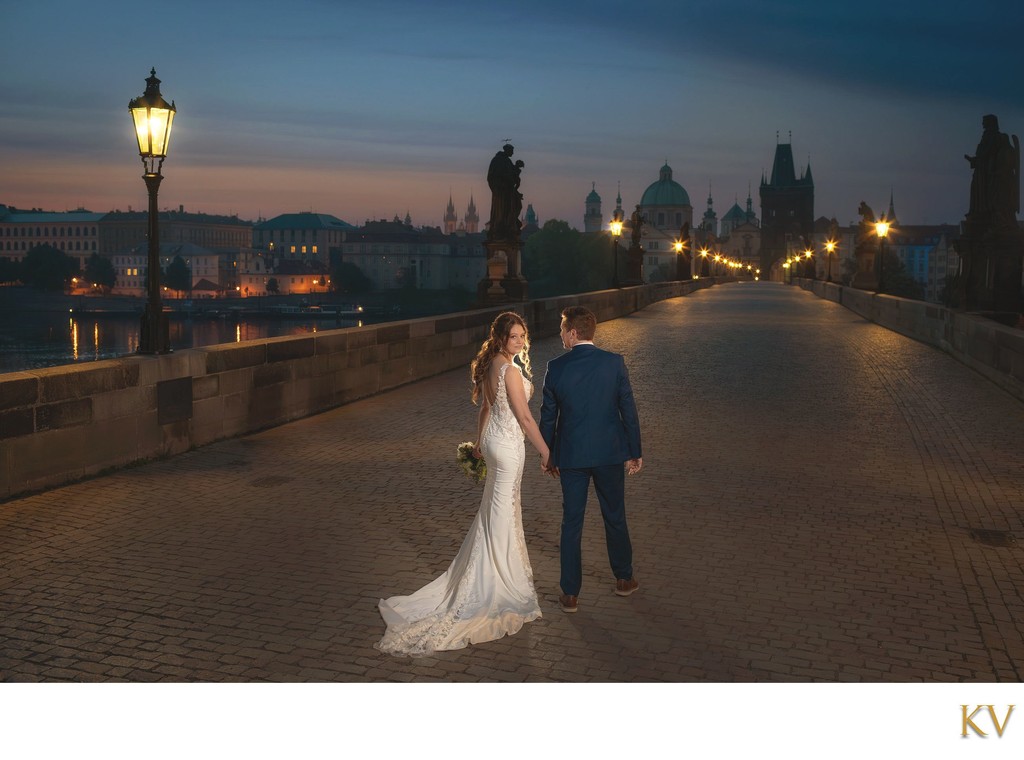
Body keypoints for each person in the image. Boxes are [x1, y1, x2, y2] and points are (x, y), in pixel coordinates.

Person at [376, 312, 550, 656]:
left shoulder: (490, 366)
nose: (520, 342)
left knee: (497, 510)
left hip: (496, 444)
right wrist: (546, 451)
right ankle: (493, 585)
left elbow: (485, 407)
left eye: (522, 336)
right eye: (514, 337)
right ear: (501, 338)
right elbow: (525, 416)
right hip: (510, 447)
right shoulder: (509, 371)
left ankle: (498, 572)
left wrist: (480, 442)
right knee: (501, 514)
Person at [539, 306, 642, 614]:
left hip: (571, 457)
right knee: (615, 516)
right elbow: (629, 411)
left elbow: (548, 419)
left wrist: (547, 456)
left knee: (571, 523)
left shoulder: (556, 368)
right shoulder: (614, 363)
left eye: (561, 330)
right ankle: (624, 578)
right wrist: (634, 451)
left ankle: (570, 593)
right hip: (610, 453)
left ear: (573, 333)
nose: (559, 334)